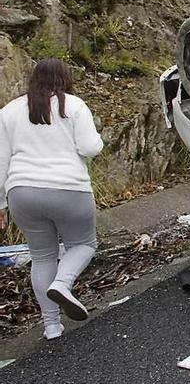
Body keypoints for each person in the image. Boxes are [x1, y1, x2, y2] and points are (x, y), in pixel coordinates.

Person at [0, 58, 104, 340]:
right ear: (64, 78)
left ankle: (52, 327)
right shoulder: (74, 105)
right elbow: (89, 147)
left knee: (42, 256)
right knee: (82, 244)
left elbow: (1, 161)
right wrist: (99, 140)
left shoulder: (9, 111)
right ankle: (62, 283)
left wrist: (1, 204)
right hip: (68, 189)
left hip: (22, 191)